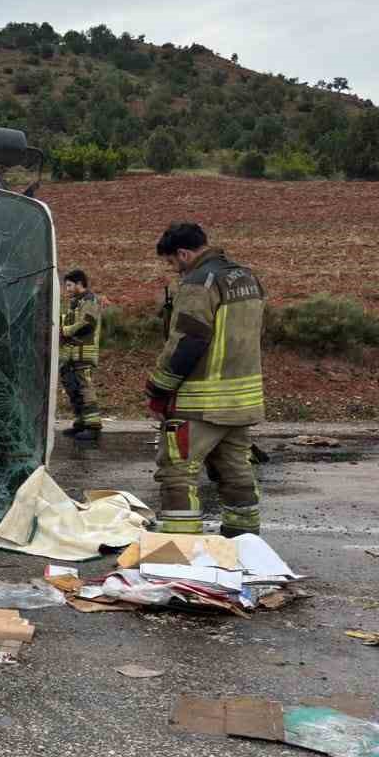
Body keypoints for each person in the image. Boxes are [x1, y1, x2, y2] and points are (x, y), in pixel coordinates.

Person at [145, 223, 265, 536]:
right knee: (235, 470)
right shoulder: (247, 277)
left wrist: (158, 389)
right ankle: (244, 542)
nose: (174, 270)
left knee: (177, 471)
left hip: (201, 402)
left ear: (183, 254)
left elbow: (189, 340)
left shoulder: (200, 282)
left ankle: (181, 545)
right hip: (242, 400)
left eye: (172, 263)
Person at [58, 268, 103, 442]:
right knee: (73, 388)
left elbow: (87, 323)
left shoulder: (89, 300)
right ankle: (81, 423)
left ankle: (93, 427)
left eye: (69, 285)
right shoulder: (74, 303)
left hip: (84, 353)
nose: (67, 289)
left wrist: (66, 330)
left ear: (79, 284)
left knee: (85, 389)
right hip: (71, 355)